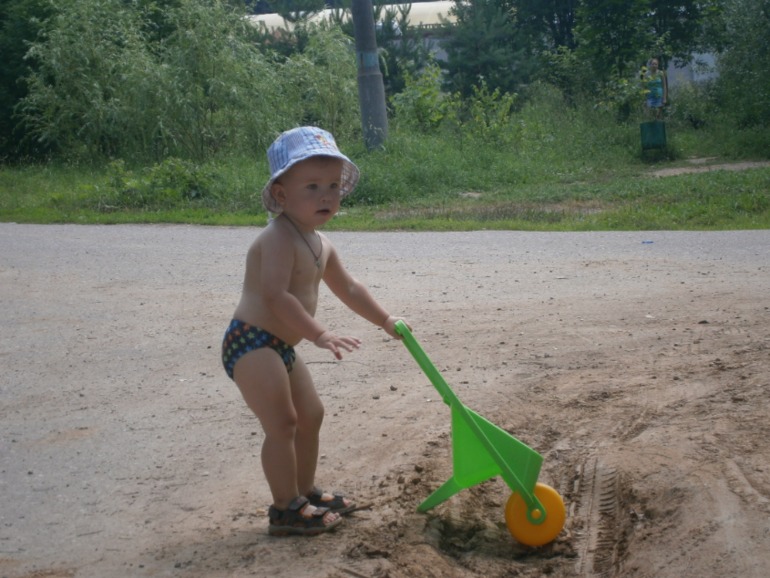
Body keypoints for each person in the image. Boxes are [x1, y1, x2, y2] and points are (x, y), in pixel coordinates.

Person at [222, 126, 408, 536]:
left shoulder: (321, 242)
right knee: (283, 423)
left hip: (279, 346)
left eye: (333, 186)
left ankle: (304, 492)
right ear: (281, 194)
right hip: (251, 341)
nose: (326, 196)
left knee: (311, 415)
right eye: (312, 187)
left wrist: (385, 320)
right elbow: (275, 296)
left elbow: (350, 288)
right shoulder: (277, 238)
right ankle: (284, 508)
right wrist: (319, 334)